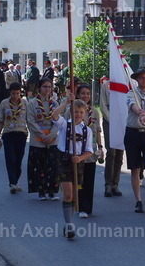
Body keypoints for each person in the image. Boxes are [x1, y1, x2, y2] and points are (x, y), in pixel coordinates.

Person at [53, 99, 93, 240]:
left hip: (77, 163)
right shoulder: (64, 125)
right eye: (75, 111)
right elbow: (54, 115)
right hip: (64, 161)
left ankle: (68, 222)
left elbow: (89, 151)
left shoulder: (86, 130)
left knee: (74, 196)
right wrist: (65, 103)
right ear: (71, 112)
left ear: (85, 113)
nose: (78, 114)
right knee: (68, 194)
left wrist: (81, 158)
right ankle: (69, 225)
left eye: (81, 112)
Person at [26, 78, 67, 200]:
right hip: (38, 141)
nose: (47, 89)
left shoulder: (55, 103)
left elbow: (58, 121)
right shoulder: (32, 103)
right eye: (45, 86)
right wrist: (42, 135)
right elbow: (31, 122)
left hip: (52, 140)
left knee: (53, 166)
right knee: (39, 166)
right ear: (39, 88)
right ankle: (41, 191)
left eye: (49, 87)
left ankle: (52, 191)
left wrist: (52, 135)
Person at [125, 69, 145, 213]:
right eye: (141, 78)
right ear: (137, 80)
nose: (144, 80)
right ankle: (138, 200)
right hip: (133, 132)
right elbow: (132, 105)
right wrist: (140, 112)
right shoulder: (131, 92)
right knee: (135, 168)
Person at [74, 84, 104, 218]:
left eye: (87, 93)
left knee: (89, 179)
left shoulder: (95, 112)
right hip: (77, 150)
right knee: (78, 179)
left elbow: (97, 131)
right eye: (82, 93)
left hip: (90, 150)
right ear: (78, 95)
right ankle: (79, 207)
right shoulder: (74, 110)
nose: (85, 96)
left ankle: (87, 207)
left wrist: (101, 147)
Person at [0, 82, 28, 193]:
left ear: (20, 93)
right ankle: (12, 183)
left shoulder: (24, 103)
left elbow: (29, 120)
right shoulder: (4, 103)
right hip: (8, 134)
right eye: (13, 93)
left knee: (19, 160)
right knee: (10, 159)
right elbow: (1, 121)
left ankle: (16, 181)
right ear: (10, 93)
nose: (15, 96)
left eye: (17, 94)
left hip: (21, 134)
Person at [99, 78, 124, 197]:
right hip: (109, 121)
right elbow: (103, 105)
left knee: (119, 153)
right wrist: (111, 119)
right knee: (111, 152)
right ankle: (108, 184)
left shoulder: (125, 83)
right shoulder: (106, 85)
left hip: (122, 121)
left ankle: (115, 184)